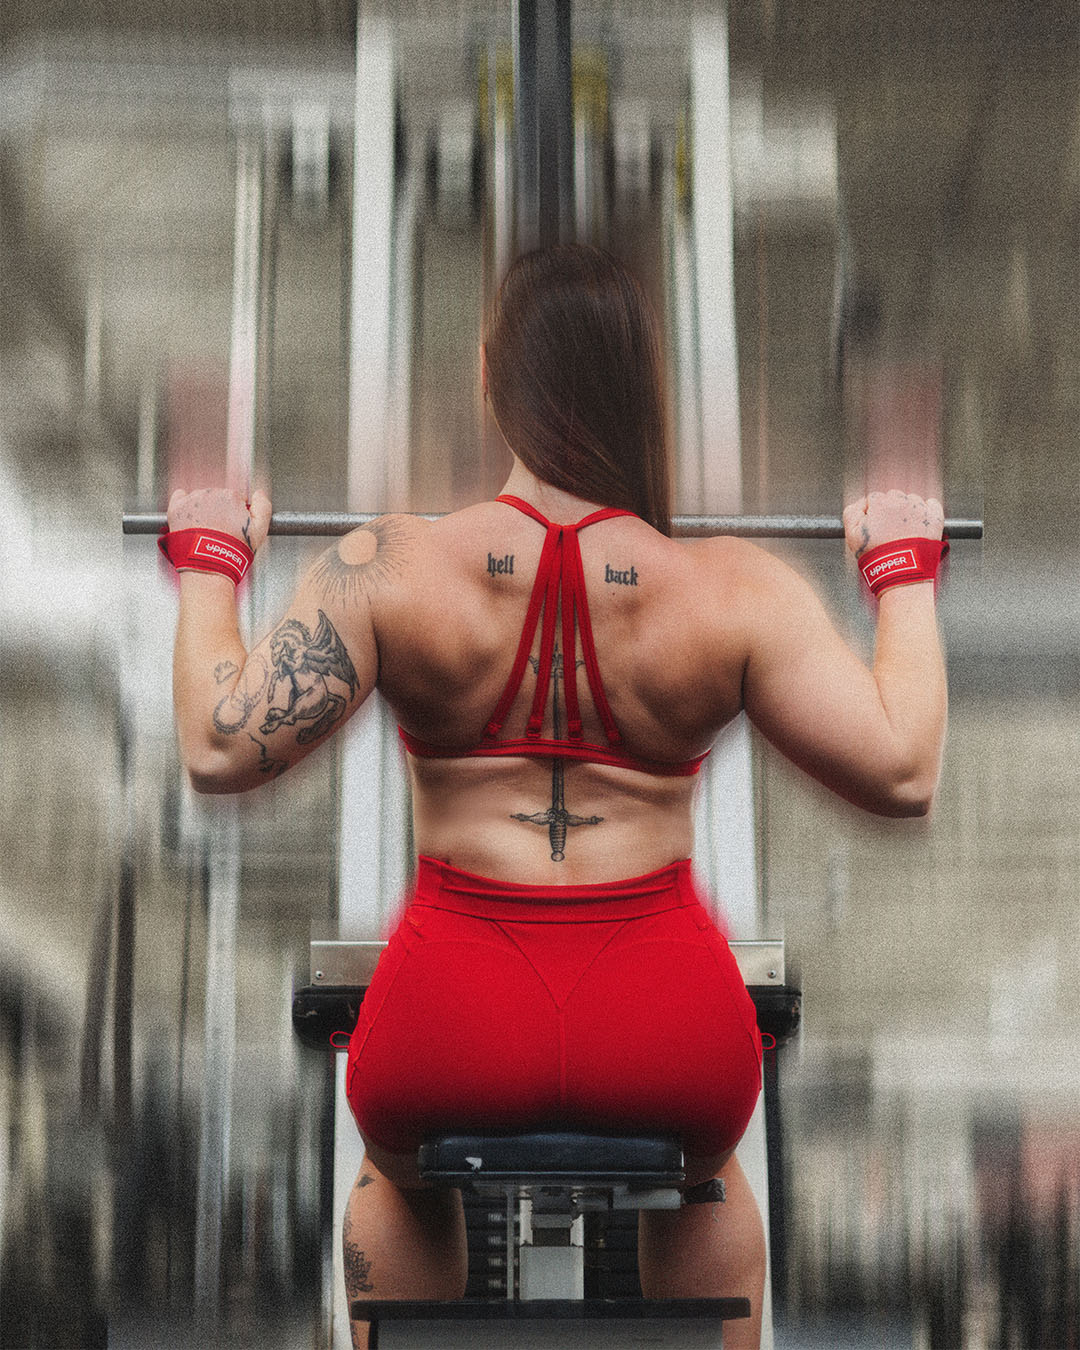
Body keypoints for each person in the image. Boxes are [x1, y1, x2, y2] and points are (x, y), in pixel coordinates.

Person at [165, 244, 948, 1350]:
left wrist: (209, 556)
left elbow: (215, 748)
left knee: (397, 1185)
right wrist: (902, 568)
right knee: (708, 1184)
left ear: (494, 381)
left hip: (451, 1013)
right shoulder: (732, 591)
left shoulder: (392, 567)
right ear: (642, 390)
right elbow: (905, 768)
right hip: (664, 1022)